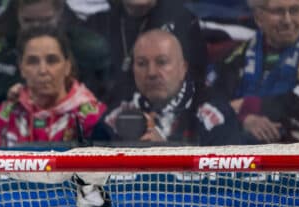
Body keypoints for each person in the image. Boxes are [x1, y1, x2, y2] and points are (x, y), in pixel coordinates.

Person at [93, 28, 241, 144]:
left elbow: (226, 180)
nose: (151, 73)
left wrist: (166, 156)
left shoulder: (215, 117)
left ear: (183, 68)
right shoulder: (114, 116)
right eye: (142, 63)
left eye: (162, 62)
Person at [0, 26, 104, 147]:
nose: (43, 70)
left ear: (67, 67)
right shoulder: (4, 116)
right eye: (33, 61)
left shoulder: (93, 118)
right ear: (21, 68)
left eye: (52, 60)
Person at [207, 0, 299, 143]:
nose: (288, 21)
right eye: (278, 12)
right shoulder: (234, 57)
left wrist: (250, 105)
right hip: (242, 153)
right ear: (259, 18)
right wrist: (243, 119)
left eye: (295, 10)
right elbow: (212, 104)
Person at [85, 0, 206, 107]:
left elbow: (193, 87)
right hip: (102, 122)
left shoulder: (182, 21)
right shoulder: (96, 25)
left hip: (164, 122)